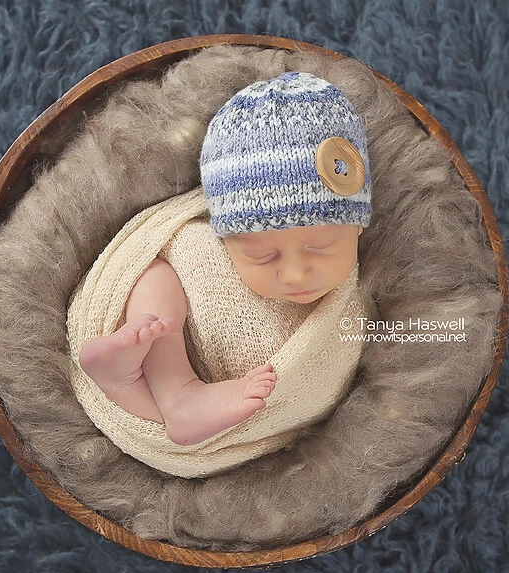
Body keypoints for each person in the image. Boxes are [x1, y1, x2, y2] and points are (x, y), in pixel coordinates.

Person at [78, 72, 372, 446]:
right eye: (261, 255)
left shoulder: (358, 300)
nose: (295, 274)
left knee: (189, 426)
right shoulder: (202, 242)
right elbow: (152, 249)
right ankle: (177, 390)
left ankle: (127, 387)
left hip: (236, 407)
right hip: (174, 351)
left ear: (358, 225)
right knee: (152, 275)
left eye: (322, 246)